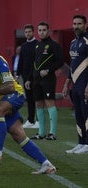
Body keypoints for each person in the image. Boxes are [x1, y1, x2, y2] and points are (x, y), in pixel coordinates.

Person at [0, 37, 56, 174]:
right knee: (17, 134)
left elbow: (11, 87)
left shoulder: (0, 63)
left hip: (15, 95)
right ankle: (47, 164)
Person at [25, 22, 64, 140]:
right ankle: (41, 133)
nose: (41, 32)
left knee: (49, 103)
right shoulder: (37, 45)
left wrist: (48, 70)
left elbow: (60, 61)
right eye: (40, 30)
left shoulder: (54, 45)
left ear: (48, 31)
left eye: (44, 30)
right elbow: (34, 64)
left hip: (48, 79)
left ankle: (52, 133)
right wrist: (28, 79)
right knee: (38, 104)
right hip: (36, 80)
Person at [62, 15, 88, 154]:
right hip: (75, 86)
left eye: (79, 23)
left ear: (85, 25)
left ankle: (87, 144)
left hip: (85, 85)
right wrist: (67, 84)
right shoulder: (73, 42)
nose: (76, 26)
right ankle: (81, 142)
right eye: (74, 23)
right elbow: (72, 65)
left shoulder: (87, 41)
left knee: (86, 114)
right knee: (78, 114)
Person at [16, 24, 39, 129]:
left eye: (29, 31)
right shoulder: (24, 46)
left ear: (33, 32)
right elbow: (21, 61)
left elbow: (36, 62)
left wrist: (30, 77)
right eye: (26, 32)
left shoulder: (38, 44)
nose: (28, 34)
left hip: (35, 76)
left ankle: (38, 121)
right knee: (29, 99)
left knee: (37, 99)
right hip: (25, 77)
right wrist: (17, 74)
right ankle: (30, 120)